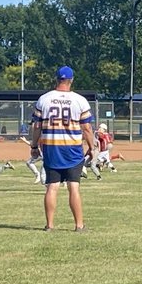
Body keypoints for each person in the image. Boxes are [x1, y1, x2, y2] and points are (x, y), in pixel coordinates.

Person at [29, 66, 97, 232]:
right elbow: (87, 128)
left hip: (52, 147)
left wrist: (34, 145)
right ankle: (79, 225)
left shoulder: (44, 99)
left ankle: (50, 225)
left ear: (56, 79)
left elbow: (36, 126)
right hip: (73, 148)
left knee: (52, 186)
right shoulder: (80, 100)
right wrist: (92, 147)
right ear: (71, 80)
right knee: (74, 186)